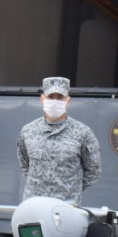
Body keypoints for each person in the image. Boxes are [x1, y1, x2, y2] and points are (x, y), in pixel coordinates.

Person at [16, 76, 102, 204]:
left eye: (60, 97)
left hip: (66, 209)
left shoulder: (83, 133)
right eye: (51, 97)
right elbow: (24, 165)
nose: (55, 101)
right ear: (42, 99)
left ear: (68, 101)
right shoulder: (28, 131)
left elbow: (94, 171)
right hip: (33, 206)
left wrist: (71, 189)